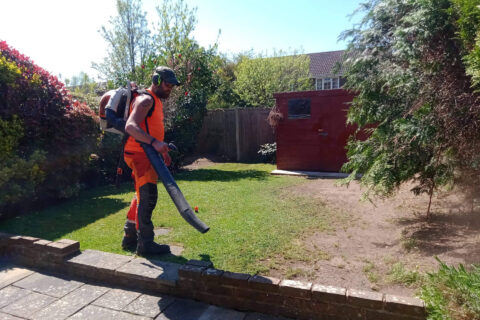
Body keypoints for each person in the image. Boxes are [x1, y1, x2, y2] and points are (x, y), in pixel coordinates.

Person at [121, 66, 180, 255]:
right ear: (156, 80)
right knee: (148, 197)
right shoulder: (145, 99)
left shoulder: (156, 101)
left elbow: (151, 127)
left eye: (172, 85)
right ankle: (145, 243)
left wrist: (162, 151)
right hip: (139, 154)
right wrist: (154, 143)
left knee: (141, 194)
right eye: (168, 84)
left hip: (148, 154)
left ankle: (129, 235)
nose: (170, 88)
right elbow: (131, 126)